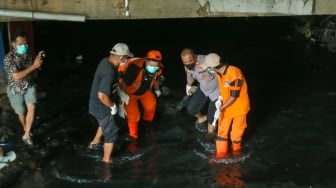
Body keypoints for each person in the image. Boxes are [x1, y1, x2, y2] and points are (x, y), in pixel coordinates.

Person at [88, 42, 133, 163]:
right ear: (121, 57)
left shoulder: (105, 61)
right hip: (101, 105)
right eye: (126, 57)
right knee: (111, 133)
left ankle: (94, 142)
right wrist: (112, 106)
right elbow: (102, 95)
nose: (127, 59)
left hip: (97, 104)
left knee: (105, 122)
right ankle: (106, 161)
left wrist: (118, 92)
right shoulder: (109, 71)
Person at [202, 53, 250, 158]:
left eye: (209, 68)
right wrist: (220, 98)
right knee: (222, 132)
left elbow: (234, 96)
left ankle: (236, 154)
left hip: (239, 108)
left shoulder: (234, 73)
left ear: (213, 67)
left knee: (236, 135)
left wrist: (221, 107)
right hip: (226, 107)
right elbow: (224, 89)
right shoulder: (219, 73)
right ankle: (220, 155)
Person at [3, 31, 45, 146]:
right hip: (15, 89)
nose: (24, 46)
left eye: (25, 43)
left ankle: (26, 134)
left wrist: (38, 62)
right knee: (21, 112)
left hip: (29, 85)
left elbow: (33, 68)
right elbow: (17, 76)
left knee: (31, 107)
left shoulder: (29, 54)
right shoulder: (8, 58)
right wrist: (34, 66)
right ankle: (26, 128)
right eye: (20, 44)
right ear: (13, 45)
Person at [119, 50, 164, 139]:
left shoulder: (159, 68)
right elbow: (123, 84)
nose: (154, 67)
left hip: (144, 91)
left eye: (156, 65)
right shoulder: (134, 68)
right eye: (151, 65)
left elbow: (156, 79)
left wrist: (157, 89)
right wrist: (121, 99)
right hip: (130, 93)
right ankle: (133, 137)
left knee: (151, 105)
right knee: (133, 116)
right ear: (146, 61)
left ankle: (147, 124)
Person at [180, 48, 219, 134]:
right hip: (203, 89)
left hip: (216, 92)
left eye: (189, 61)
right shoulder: (187, 65)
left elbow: (209, 78)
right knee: (191, 109)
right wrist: (188, 85)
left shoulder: (206, 60)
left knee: (212, 119)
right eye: (185, 62)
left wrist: (200, 68)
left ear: (194, 56)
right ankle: (202, 117)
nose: (187, 64)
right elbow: (189, 75)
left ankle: (210, 135)